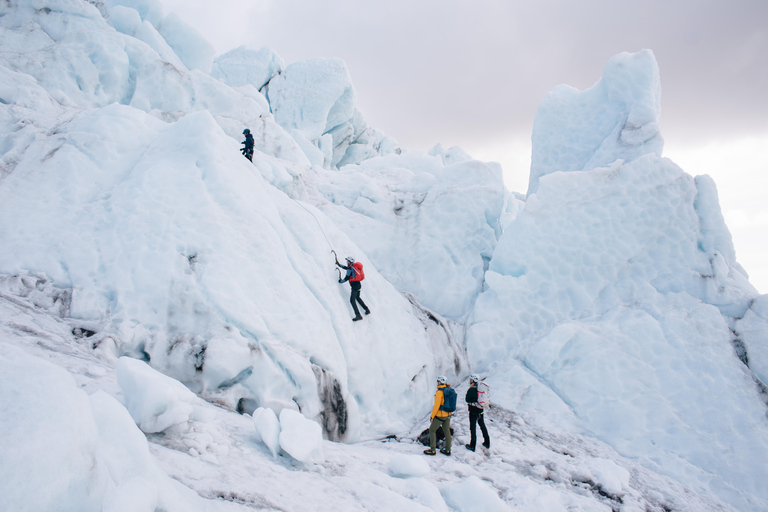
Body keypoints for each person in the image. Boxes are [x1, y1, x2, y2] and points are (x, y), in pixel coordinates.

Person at [424, 375, 453, 456]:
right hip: (448, 414)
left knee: (432, 430)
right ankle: (448, 450)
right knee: (447, 431)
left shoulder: (439, 392)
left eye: (438, 381)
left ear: (440, 382)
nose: (437, 383)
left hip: (440, 415)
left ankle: (432, 449)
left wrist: (432, 416)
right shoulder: (449, 390)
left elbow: (436, 406)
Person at [337, 256, 370, 321]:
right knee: (357, 297)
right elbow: (347, 268)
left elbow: (347, 278)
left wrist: (340, 281)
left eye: (347, 261)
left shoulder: (351, 268)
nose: (346, 261)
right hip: (358, 285)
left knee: (352, 300)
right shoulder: (353, 267)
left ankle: (358, 315)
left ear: (349, 261)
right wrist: (339, 265)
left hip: (354, 286)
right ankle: (367, 309)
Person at [465, 374, 490, 451]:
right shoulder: (480, 389)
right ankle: (487, 442)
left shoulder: (471, 389)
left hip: (473, 411)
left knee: (473, 427)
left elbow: (467, 399)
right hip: (480, 410)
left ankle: (472, 445)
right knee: (482, 426)